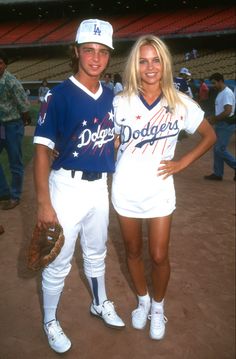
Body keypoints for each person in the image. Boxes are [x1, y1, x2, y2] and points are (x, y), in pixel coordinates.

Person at [111, 35, 216, 341]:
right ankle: (143, 301)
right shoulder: (121, 102)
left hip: (159, 191)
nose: (150, 67)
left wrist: (182, 163)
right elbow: (113, 144)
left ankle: (158, 306)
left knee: (158, 255)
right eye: (143, 61)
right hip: (125, 189)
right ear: (135, 65)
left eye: (156, 60)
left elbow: (209, 136)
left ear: (165, 64)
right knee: (132, 251)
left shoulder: (179, 102)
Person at [33, 19, 125, 354]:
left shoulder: (112, 97)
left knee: (96, 252)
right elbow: (42, 151)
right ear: (76, 52)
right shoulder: (58, 96)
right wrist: (44, 203)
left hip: (99, 188)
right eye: (89, 50)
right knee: (57, 260)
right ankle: (49, 320)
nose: (96, 58)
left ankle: (99, 302)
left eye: (103, 52)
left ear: (109, 56)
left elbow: (112, 141)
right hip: (66, 189)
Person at [0, 50, 31, 210]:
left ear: (5, 64)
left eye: (0, 62)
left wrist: (25, 120)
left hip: (12, 125)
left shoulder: (11, 82)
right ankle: (4, 191)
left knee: (15, 161)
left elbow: (24, 105)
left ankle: (15, 195)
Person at [204, 72, 236, 181]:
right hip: (221, 123)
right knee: (217, 149)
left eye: (214, 83)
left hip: (226, 124)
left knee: (220, 149)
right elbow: (221, 110)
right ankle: (218, 173)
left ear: (220, 81)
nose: (213, 85)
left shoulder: (226, 93)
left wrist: (214, 119)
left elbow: (228, 111)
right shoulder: (221, 92)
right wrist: (213, 118)